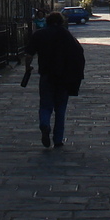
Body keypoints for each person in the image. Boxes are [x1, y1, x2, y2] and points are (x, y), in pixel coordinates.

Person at [24, 11, 86, 148]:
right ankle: (58, 139)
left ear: (47, 21)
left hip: (46, 75)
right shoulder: (67, 35)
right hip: (64, 77)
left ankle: (44, 124)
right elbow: (79, 54)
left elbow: (29, 55)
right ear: (61, 21)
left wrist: (28, 68)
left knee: (45, 105)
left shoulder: (39, 34)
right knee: (60, 109)